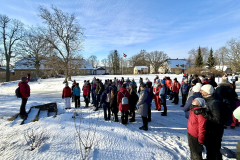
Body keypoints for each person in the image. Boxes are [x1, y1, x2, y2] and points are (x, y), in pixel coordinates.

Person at [194, 84, 225, 160]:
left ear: (207, 92)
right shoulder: (208, 99)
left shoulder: (215, 103)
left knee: (214, 150)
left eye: (202, 90)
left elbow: (217, 119)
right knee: (210, 150)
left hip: (215, 131)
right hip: (211, 130)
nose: (200, 91)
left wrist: (202, 112)